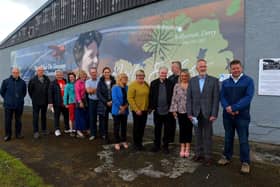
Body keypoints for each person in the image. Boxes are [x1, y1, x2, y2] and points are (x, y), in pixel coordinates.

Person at [218, 60, 254, 174]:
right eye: (233, 68)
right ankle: (226, 157)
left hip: (242, 116)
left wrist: (233, 108)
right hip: (227, 116)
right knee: (228, 138)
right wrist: (227, 107)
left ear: (241, 68)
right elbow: (222, 96)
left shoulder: (248, 81)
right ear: (230, 70)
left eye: (237, 68)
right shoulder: (226, 82)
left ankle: (245, 162)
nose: (235, 70)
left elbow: (248, 97)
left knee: (243, 140)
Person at [187, 59, 219, 166]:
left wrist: (214, 114)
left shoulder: (214, 81)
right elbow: (189, 99)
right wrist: (189, 113)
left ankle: (208, 157)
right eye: (201, 66)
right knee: (197, 135)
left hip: (208, 114)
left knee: (208, 136)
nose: (203, 68)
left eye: (204, 66)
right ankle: (198, 154)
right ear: (197, 68)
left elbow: (215, 99)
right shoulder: (192, 81)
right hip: (195, 114)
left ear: (206, 67)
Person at [149, 67, 173, 154]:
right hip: (157, 111)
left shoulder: (170, 83)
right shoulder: (154, 83)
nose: (163, 74)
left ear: (167, 74)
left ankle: (165, 146)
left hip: (168, 111)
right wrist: (151, 107)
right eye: (162, 73)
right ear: (159, 73)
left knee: (167, 130)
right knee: (157, 129)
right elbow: (151, 96)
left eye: (165, 73)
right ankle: (157, 145)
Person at [169, 69, 193, 158]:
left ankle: (188, 147)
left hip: (190, 111)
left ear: (188, 76)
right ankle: (182, 147)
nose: (184, 77)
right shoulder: (176, 86)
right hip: (180, 111)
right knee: (182, 129)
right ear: (180, 77)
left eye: (185, 76)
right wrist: (174, 110)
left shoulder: (192, 85)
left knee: (189, 129)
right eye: (182, 76)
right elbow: (174, 98)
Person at [1, 67, 26, 141]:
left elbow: (24, 93)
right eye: (14, 72)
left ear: (19, 73)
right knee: (8, 120)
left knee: (18, 120)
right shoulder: (6, 81)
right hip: (8, 105)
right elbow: (2, 92)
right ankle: (8, 135)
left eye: (17, 72)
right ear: (12, 73)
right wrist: (7, 99)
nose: (15, 74)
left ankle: (18, 134)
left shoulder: (22, 82)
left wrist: (20, 99)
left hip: (19, 105)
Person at [127, 69, 149, 151]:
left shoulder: (146, 84)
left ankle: (140, 143)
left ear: (144, 76)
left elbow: (148, 96)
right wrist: (136, 110)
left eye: (142, 75)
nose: (140, 77)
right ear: (136, 76)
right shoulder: (132, 85)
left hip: (145, 109)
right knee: (137, 127)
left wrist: (149, 107)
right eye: (139, 75)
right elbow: (130, 98)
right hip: (137, 110)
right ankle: (136, 144)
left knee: (142, 127)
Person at [28, 66, 50, 139]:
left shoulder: (47, 79)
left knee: (44, 116)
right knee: (35, 117)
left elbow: (48, 90)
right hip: (36, 102)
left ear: (43, 71)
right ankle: (36, 132)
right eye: (39, 71)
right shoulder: (32, 80)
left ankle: (44, 130)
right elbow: (30, 91)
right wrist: (34, 98)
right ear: (37, 71)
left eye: (42, 71)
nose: (40, 72)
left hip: (44, 101)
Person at [48, 69, 70, 137]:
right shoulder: (52, 83)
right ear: (55, 75)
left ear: (62, 75)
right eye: (57, 75)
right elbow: (50, 93)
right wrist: (50, 102)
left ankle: (67, 128)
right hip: (57, 103)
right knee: (56, 117)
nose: (59, 76)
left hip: (65, 103)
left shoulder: (66, 81)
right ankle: (57, 130)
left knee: (66, 116)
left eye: (60, 74)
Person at [97, 67, 116, 142]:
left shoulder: (114, 81)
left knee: (116, 119)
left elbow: (116, 92)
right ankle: (104, 135)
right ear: (103, 73)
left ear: (110, 73)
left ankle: (116, 135)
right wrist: (106, 102)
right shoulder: (100, 82)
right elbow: (99, 94)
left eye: (108, 72)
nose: (107, 73)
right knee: (104, 120)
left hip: (113, 103)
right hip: (103, 104)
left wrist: (112, 101)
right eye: (105, 72)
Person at [111, 73, 129, 151]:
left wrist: (125, 107)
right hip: (117, 110)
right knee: (117, 127)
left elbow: (129, 98)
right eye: (123, 77)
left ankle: (124, 141)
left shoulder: (127, 87)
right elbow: (114, 99)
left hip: (125, 110)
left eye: (126, 77)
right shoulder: (115, 87)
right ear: (120, 79)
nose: (125, 79)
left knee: (124, 127)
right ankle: (117, 142)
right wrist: (120, 107)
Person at [168, 61, 182, 143]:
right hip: (171, 104)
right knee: (171, 123)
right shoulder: (170, 77)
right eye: (171, 67)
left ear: (178, 67)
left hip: (181, 105)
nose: (171, 68)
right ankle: (170, 140)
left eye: (173, 67)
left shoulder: (183, 77)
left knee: (182, 124)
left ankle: (183, 141)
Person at [86, 67, 99, 141]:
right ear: (90, 74)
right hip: (92, 101)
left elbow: (101, 90)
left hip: (100, 101)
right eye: (92, 72)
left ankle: (102, 133)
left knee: (101, 117)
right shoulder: (88, 81)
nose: (93, 73)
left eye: (95, 72)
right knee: (92, 118)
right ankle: (93, 134)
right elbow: (88, 91)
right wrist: (97, 89)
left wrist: (93, 90)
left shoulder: (100, 80)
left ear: (96, 73)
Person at [74, 70, 89, 138]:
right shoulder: (77, 83)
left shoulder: (86, 82)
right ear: (80, 76)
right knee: (79, 116)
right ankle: (78, 130)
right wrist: (80, 102)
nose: (84, 77)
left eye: (85, 75)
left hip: (85, 100)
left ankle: (84, 129)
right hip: (79, 100)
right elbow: (77, 93)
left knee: (84, 116)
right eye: (82, 75)